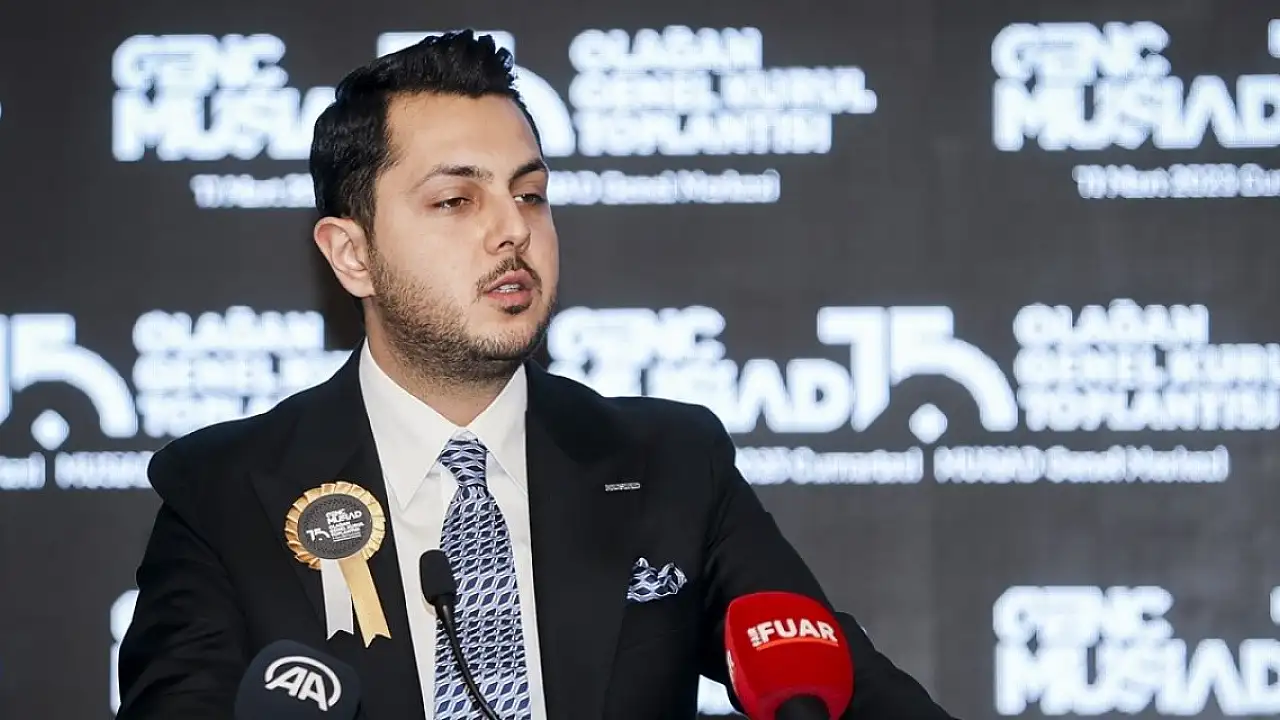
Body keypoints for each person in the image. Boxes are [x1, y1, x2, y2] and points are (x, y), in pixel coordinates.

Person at [116, 30, 958, 720]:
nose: (512, 231)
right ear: (352, 255)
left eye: (530, 194)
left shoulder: (668, 464)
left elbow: (840, 685)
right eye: (457, 201)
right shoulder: (225, 493)